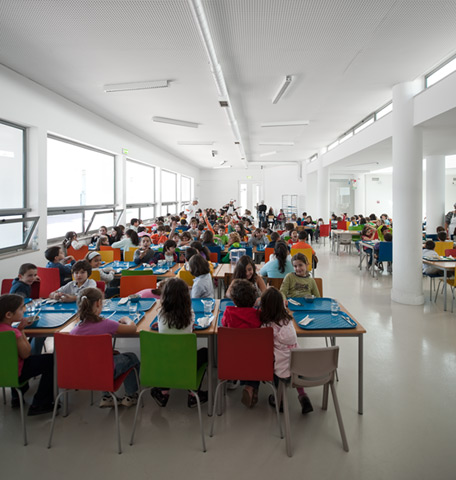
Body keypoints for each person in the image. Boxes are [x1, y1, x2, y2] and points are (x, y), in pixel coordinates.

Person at [70, 287, 139, 407]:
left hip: (82, 373)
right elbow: (132, 329)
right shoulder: (107, 324)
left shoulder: (74, 331)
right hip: (105, 371)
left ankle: (107, 397)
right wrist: (127, 320)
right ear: (98, 303)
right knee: (131, 357)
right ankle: (130, 396)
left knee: (106, 357)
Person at [150, 278, 208, 408]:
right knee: (205, 352)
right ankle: (193, 393)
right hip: (186, 363)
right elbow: (190, 327)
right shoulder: (190, 315)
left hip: (163, 362)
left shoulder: (160, 314)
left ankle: (163, 392)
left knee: (169, 353)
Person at [259, 287, 313, 414]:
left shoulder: (267, 326)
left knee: (276, 367)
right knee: (294, 368)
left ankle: (280, 400)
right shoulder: (288, 322)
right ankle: (303, 396)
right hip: (299, 365)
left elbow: (264, 346)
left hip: (281, 370)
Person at [0, 294, 55, 415]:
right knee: (52, 360)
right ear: (9, 315)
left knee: (9, 361)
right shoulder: (13, 333)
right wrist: (21, 330)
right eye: (21, 308)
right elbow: (26, 354)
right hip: (16, 373)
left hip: (3, 373)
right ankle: (40, 403)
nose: (24, 310)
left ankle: (16, 396)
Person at [221, 279, 261, 407]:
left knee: (243, 355)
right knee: (254, 356)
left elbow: (223, 324)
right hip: (255, 362)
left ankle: (242, 382)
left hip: (232, 360)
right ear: (254, 300)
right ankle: (250, 387)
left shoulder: (228, 312)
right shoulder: (258, 315)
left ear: (234, 300)